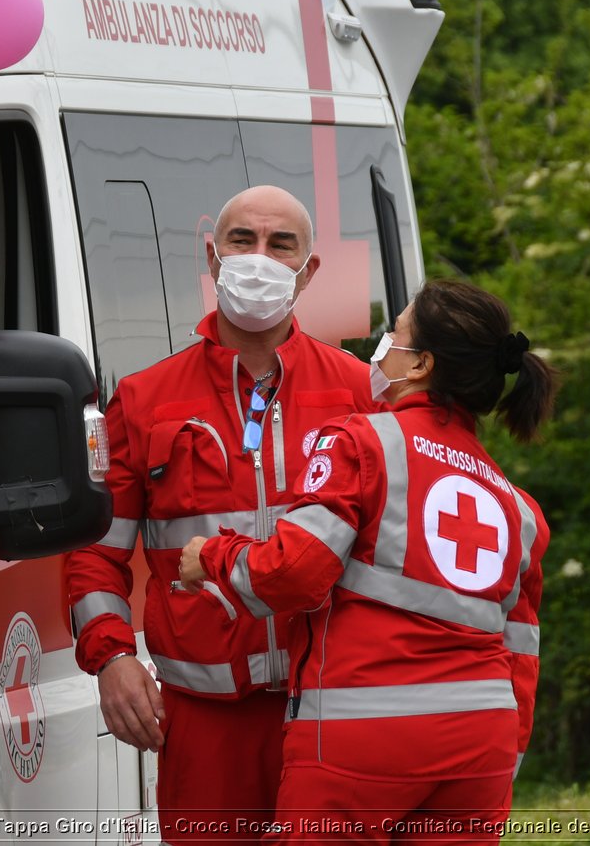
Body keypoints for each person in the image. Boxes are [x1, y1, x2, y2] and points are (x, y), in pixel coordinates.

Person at [180, 279, 557, 845]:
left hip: (362, 737)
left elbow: (293, 574)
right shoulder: (518, 508)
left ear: (422, 364)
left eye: (394, 334)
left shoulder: (361, 443)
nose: (381, 347)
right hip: (484, 745)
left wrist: (211, 556)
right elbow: (521, 657)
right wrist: (507, 759)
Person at [64, 185, 379, 844]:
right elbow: (95, 551)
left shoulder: (360, 393)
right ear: (212, 257)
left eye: (280, 243)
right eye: (243, 240)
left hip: (330, 710)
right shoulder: (144, 399)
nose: (258, 257)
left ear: (308, 269)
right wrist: (112, 659)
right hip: (206, 721)